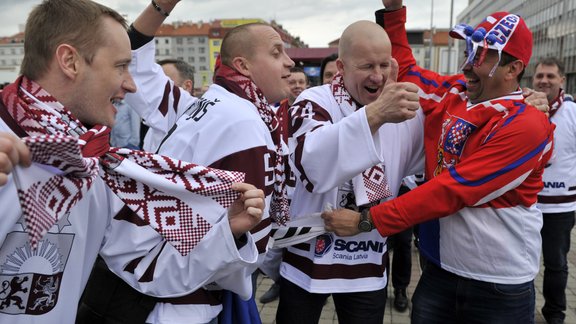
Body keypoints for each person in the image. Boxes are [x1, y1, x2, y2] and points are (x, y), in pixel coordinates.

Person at [0, 1, 265, 323]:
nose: (131, 84)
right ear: (70, 61)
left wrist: (227, 232)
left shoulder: (96, 164)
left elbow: (152, 270)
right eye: (120, 66)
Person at [322, 1, 555, 323]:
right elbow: (406, 69)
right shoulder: (455, 94)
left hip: (498, 284)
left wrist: (367, 221)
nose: (468, 65)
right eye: (468, 51)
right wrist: (393, 11)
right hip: (438, 271)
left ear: (513, 69)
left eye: (482, 55)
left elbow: (453, 189)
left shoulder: (527, 123)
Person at [79, 0, 294, 323]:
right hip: (178, 297)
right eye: (277, 52)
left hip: (133, 279)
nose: (290, 63)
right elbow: (249, 248)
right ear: (244, 66)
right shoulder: (246, 124)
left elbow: (136, 63)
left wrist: (160, 7)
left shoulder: (204, 103)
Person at [276, 19, 423, 323]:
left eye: (384, 64)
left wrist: (519, 101)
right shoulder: (314, 101)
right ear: (341, 67)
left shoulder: (404, 111)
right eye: (367, 66)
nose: (378, 76)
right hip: (308, 258)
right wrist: (375, 114)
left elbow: (438, 152)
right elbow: (310, 165)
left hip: (367, 263)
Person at [259, 66, 309, 305]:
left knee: (302, 243)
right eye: (293, 82)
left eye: (301, 82)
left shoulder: (316, 114)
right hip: (281, 188)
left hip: (307, 190)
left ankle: (298, 285)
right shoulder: (272, 114)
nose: (297, 86)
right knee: (276, 244)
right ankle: (280, 281)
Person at [533, 57, 576, 324]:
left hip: (561, 206)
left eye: (550, 76)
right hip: (526, 204)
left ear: (562, 80)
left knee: (556, 264)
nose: (544, 81)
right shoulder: (524, 108)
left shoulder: (572, 113)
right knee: (521, 263)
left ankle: (554, 314)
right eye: (540, 76)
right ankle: (522, 310)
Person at [140, 58, 195, 151]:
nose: (157, 89)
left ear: (187, 86)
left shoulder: (200, 125)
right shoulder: (154, 122)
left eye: (166, 84)